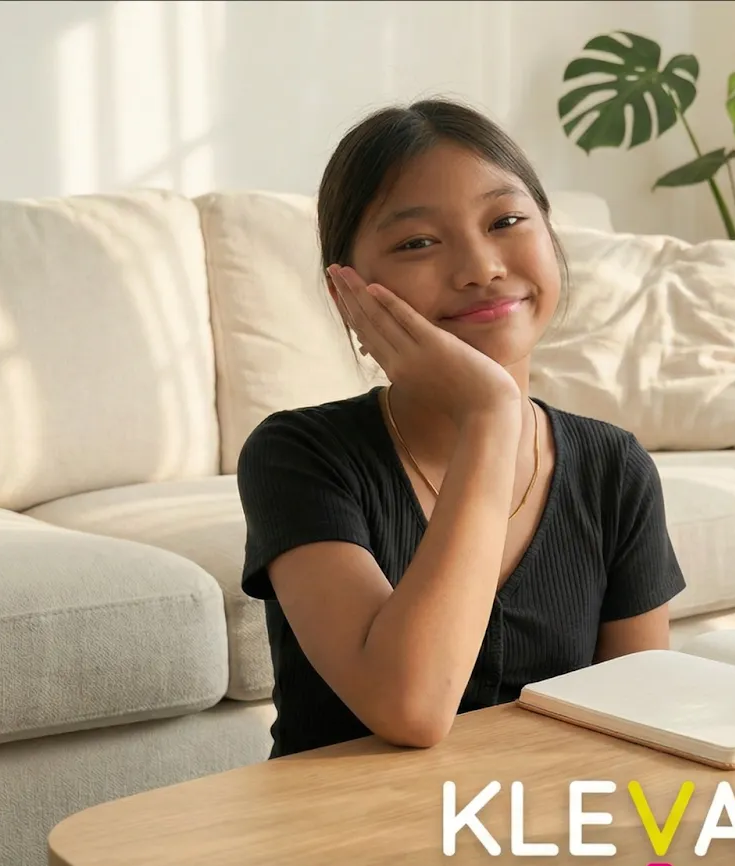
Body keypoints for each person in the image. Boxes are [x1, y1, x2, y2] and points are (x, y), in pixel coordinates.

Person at [235, 98, 685, 759]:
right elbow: (409, 707)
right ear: (349, 293)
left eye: (506, 220)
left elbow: (640, 731)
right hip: (340, 844)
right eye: (418, 243)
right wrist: (491, 415)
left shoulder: (614, 468)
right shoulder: (297, 457)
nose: (480, 267)